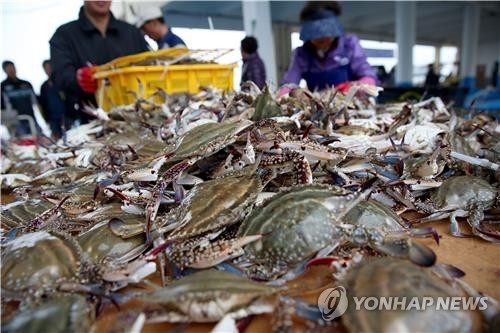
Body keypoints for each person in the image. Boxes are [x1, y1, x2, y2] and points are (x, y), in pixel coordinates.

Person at [50, 1, 149, 126]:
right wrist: (78, 79)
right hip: (91, 125)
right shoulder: (64, 35)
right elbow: (60, 76)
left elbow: (150, 66)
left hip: (140, 121)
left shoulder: (131, 32)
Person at [281, 1, 376, 93]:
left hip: (349, 105)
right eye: (315, 33)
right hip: (318, 107)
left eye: (327, 31)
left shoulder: (349, 45)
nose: (321, 37)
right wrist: (285, 95)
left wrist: (356, 88)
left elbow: (368, 77)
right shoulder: (301, 54)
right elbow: (289, 84)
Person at [1, 61, 37, 136]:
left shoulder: (26, 84)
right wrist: (9, 126)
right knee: (21, 145)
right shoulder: (2, 87)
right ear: (4, 71)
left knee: (37, 141)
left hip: (31, 119)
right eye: (8, 69)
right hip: (15, 122)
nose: (11, 70)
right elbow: (2, 107)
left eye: (12, 67)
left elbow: (35, 102)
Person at [40, 60, 66, 139]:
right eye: (46, 68)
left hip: (66, 116)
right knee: (57, 139)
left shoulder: (62, 82)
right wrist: (46, 119)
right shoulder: (43, 87)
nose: (49, 70)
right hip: (53, 119)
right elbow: (42, 104)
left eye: (50, 67)